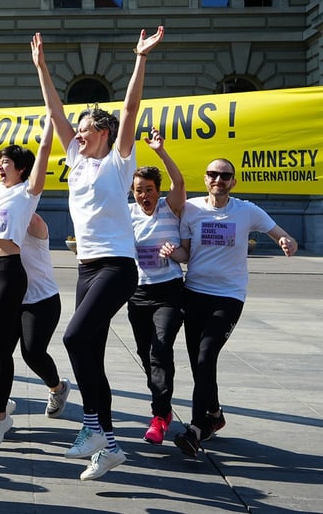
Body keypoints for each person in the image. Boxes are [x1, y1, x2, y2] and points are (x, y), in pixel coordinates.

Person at [55, 27, 164, 480]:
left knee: (73, 338)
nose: (77, 136)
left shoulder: (118, 163)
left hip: (117, 267)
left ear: (102, 133)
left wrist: (140, 58)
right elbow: (54, 113)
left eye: (84, 131)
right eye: (76, 132)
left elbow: (131, 108)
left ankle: (92, 425)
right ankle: (109, 445)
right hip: (85, 268)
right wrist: (42, 67)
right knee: (90, 354)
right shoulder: (77, 160)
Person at [172, 158, 297, 457]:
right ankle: (214, 413)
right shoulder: (191, 209)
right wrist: (171, 253)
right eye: (213, 175)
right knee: (199, 362)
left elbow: (279, 232)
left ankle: (196, 428)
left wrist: (286, 241)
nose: (219, 180)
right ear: (205, 179)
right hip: (194, 293)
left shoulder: (247, 210)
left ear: (233, 182)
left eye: (225, 176)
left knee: (206, 355)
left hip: (228, 297)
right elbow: (187, 254)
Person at [0, 33, 57, 451]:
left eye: (6, 161)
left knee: (4, 346)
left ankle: (0, 417)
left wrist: (46, 129)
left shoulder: (27, 192)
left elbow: (42, 155)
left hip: (8, 272)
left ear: (20, 169)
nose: (0, 165)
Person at [0, 184, 71, 426]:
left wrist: (19, 196)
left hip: (40, 300)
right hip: (8, 299)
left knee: (32, 352)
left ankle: (57, 387)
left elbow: (30, 207)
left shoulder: (34, 224)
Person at [126, 128, 188, 446]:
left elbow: (179, 184)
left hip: (169, 290)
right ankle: (162, 407)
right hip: (138, 293)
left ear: (156, 190)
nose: (144, 196)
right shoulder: (129, 214)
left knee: (160, 348)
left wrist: (161, 151)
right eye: (138, 190)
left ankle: (159, 415)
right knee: (146, 354)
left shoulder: (169, 207)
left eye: (148, 190)